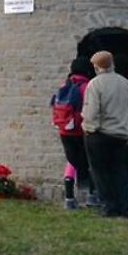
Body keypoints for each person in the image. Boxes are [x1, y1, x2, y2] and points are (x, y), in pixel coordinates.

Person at [82, 50, 128, 218]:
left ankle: (109, 207)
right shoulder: (127, 84)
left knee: (100, 173)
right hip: (121, 135)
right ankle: (125, 207)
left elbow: (92, 112)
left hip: (100, 134)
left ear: (97, 66)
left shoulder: (95, 84)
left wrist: (88, 128)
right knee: (119, 171)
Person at [51, 57, 94, 210]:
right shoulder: (88, 87)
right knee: (91, 160)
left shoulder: (65, 85)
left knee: (71, 161)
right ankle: (92, 196)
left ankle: (69, 198)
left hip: (65, 130)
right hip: (82, 129)